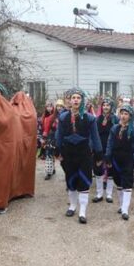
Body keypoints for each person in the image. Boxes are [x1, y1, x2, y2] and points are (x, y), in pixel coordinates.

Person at [55, 88, 102, 224]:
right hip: (68, 154)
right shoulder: (63, 117)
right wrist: (57, 150)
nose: (75, 100)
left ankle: (82, 212)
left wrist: (99, 154)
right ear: (69, 100)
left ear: (82, 101)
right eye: (73, 97)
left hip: (84, 154)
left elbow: (95, 137)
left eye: (78, 98)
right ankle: (72, 206)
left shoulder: (90, 118)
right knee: (71, 181)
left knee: (84, 181)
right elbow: (59, 135)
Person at [105, 105, 134, 220]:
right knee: (118, 183)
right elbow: (110, 143)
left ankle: (125, 209)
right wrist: (108, 156)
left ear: (130, 116)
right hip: (116, 159)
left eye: (126, 114)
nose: (123, 116)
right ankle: (121, 205)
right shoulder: (114, 128)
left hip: (128, 159)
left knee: (127, 183)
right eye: (122, 113)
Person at [93, 97, 118, 203]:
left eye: (107, 105)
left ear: (111, 107)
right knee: (98, 171)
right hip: (99, 148)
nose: (105, 107)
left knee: (110, 170)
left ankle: (109, 194)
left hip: (111, 148)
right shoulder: (97, 119)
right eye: (104, 105)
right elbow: (94, 134)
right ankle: (99, 194)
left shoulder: (115, 119)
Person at [38, 100, 57, 180]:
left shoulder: (55, 117)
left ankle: (51, 170)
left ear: (53, 107)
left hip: (53, 137)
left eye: (50, 106)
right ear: (45, 107)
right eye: (47, 106)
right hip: (46, 137)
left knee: (51, 154)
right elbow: (40, 128)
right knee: (48, 154)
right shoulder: (43, 117)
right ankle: (49, 172)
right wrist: (41, 138)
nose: (49, 108)